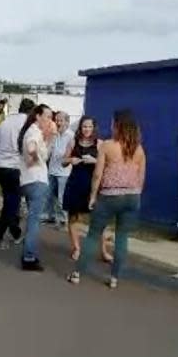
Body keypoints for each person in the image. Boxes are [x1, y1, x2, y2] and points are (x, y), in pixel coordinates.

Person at [68, 110, 146, 289]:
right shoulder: (139, 149)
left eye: (113, 123)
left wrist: (93, 196)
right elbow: (141, 176)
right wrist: (136, 194)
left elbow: (97, 174)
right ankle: (114, 278)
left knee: (93, 234)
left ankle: (78, 273)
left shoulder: (108, 146)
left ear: (118, 125)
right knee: (122, 237)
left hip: (110, 195)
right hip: (132, 196)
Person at [63, 116, 111, 262]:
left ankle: (103, 251)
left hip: (93, 186)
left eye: (89, 127)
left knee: (98, 221)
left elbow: (108, 164)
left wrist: (95, 161)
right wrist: (71, 160)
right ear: (80, 128)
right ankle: (77, 248)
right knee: (73, 218)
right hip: (75, 183)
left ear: (94, 128)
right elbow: (63, 162)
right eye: (84, 126)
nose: (87, 129)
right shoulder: (72, 142)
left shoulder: (100, 144)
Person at [0, 98, 35, 249]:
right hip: (15, 166)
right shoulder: (27, 124)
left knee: (10, 202)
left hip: (1, 165)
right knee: (12, 204)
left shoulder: (6, 122)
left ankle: (15, 232)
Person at [18, 104, 54, 271]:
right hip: (37, 180)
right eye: (47, 116)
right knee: (34, 221)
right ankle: (29, 257)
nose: (49, 120)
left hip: (28, 180)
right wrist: (33, 157)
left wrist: (48, 137)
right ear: (38, 116)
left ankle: (28, 251)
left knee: (32, 219)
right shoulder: (33, 132)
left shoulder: (34, 132)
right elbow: (32, 147)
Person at [45, 112, 74, 228]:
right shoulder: (54, 134)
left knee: (62, 197)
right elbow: (49, 150)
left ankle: (63, 219)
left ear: (67, 122)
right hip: (52, 169)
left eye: (61, 120)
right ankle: (50, 216)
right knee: (48, 195)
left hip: (64, 172)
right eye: (56, 120)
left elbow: (69, 153)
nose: (58, 123)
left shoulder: (71, 136)